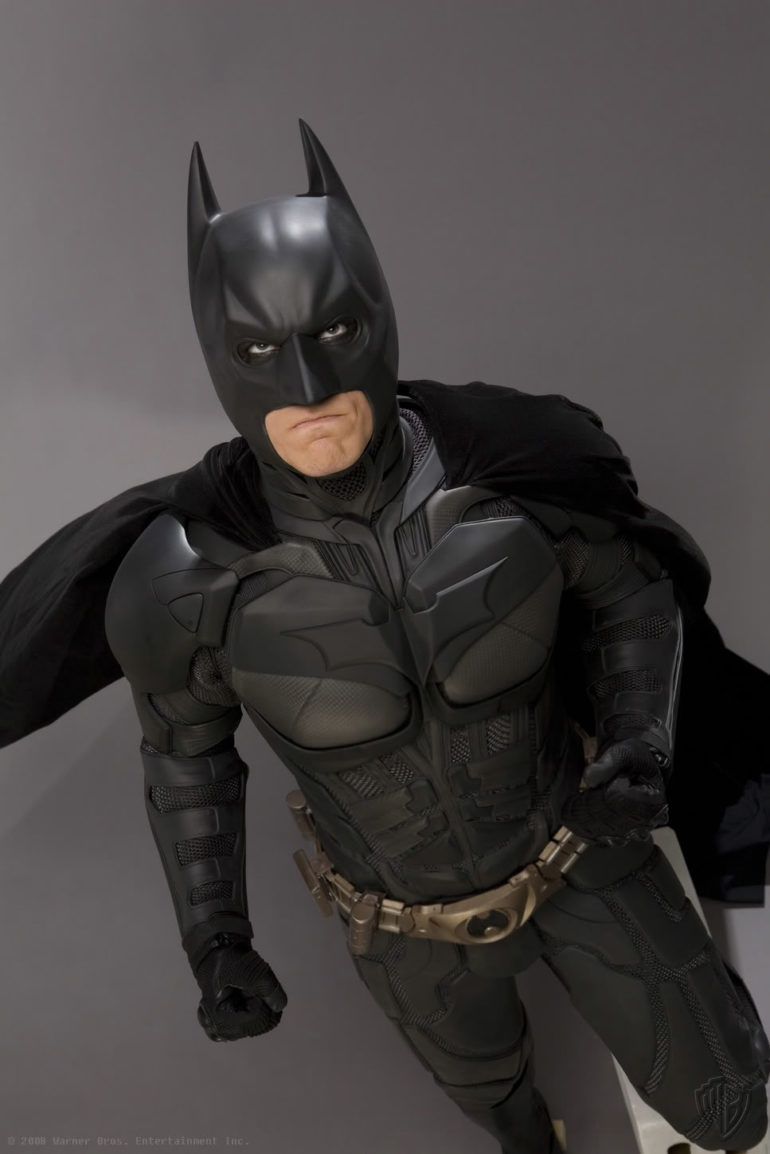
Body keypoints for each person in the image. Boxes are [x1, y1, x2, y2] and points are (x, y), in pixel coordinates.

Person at [1, 123, 769, 1154]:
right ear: (218, 357)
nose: (308, 385)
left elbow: (633, 592)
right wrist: (216, 940)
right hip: (404, 929)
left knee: (735, 1111)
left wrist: (640, 742)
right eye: (260, 351)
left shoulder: (515, 482)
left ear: (379, 320)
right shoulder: (187, 578)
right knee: (507, 1119)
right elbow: (185, 760)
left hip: (585, 853)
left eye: (334, 332)